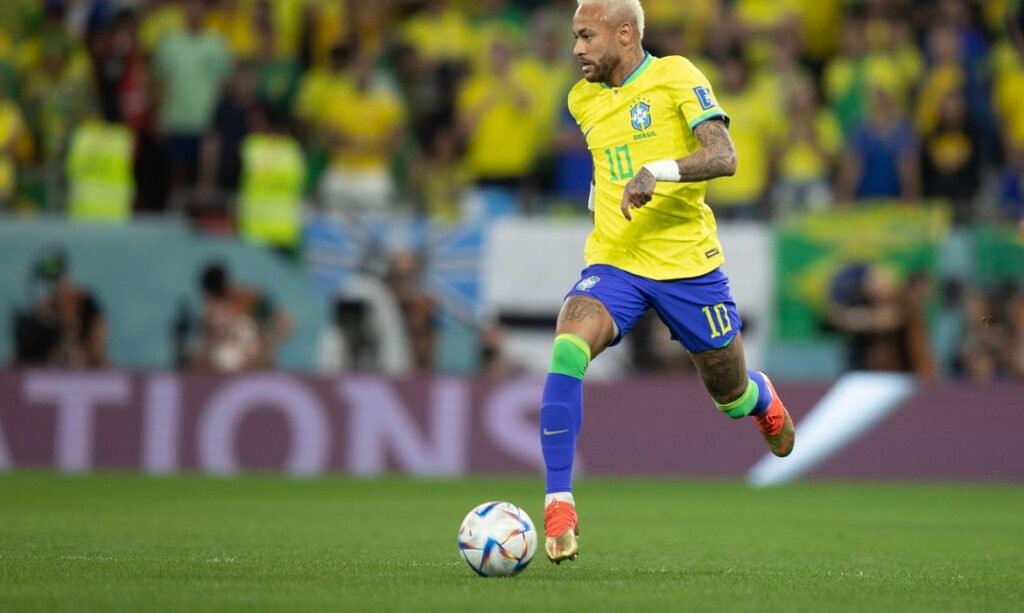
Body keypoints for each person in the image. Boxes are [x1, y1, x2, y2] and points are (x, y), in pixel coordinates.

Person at [541, 0, 795, 565]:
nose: (576, 49)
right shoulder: (581, 99)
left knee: (729, 396)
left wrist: (656, 171)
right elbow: (606, 163)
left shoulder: (677, 74)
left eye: (586, 36)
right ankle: (559, 503)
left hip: (687, 266)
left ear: (624, 33)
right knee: (567, 348)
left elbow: (724, 156)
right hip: (617, 260)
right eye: (575, 36)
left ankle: (760, 398)